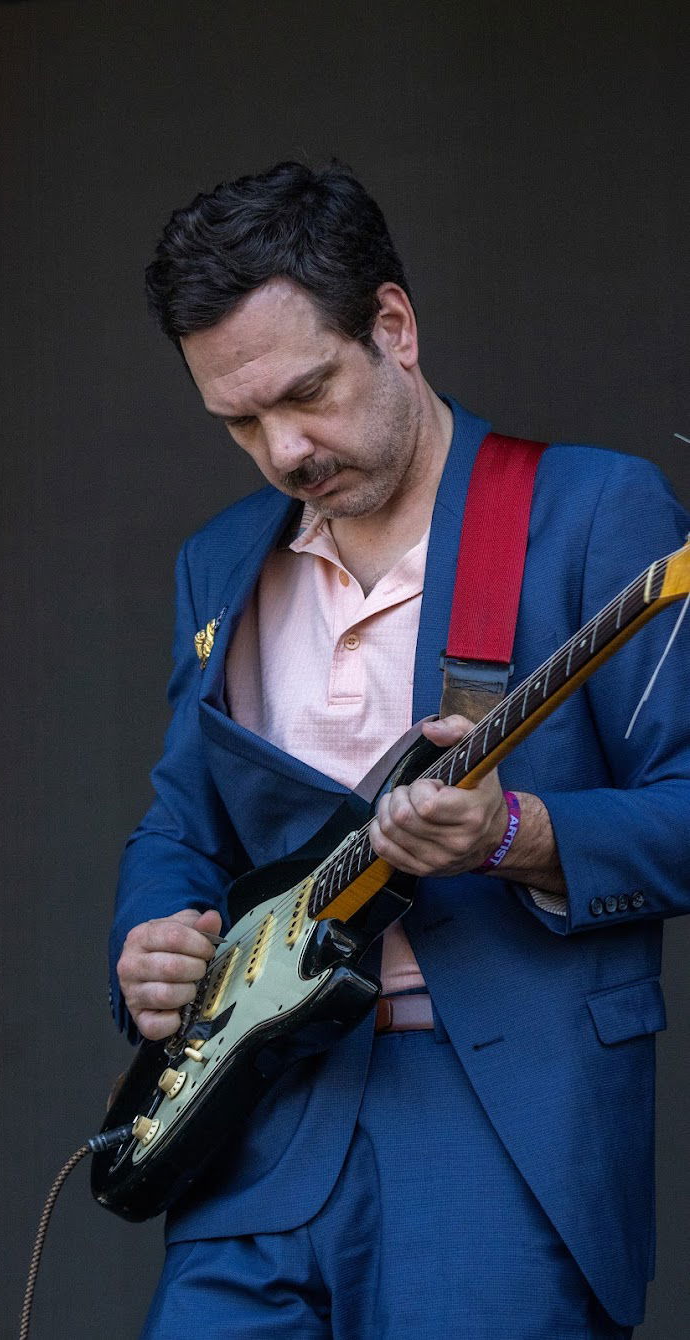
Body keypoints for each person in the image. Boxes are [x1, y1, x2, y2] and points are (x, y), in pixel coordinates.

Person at [109, 161, 690, 1338]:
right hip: (261, 1115)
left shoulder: (594, 510)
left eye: (307, 392)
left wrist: (517, 832)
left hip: (501, 1126)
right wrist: (152, 935)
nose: (284, 449)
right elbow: (181, 823)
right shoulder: (218, 563)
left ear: (394, 325)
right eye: (240, 421)